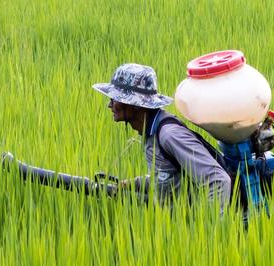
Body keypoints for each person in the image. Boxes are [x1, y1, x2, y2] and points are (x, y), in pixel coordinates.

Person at [94, 63, 233, 207]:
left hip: (197, 222)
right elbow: (165, 177)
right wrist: (128, 185)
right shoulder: (150, 131)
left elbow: (218, 180)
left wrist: (211, 226)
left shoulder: (169, 135)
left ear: (134, 104)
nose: (110, 105)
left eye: (114, 99)